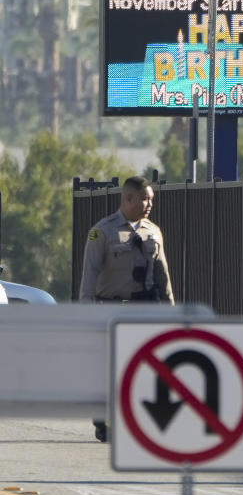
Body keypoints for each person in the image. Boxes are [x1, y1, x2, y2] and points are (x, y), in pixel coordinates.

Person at [79, 175, 175, 442]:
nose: (149, 204)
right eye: (144, 198)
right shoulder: (102, 232)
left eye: (151, 199)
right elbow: (89, 277)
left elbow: (163, 276)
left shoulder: (153, 232)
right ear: (129, 198)